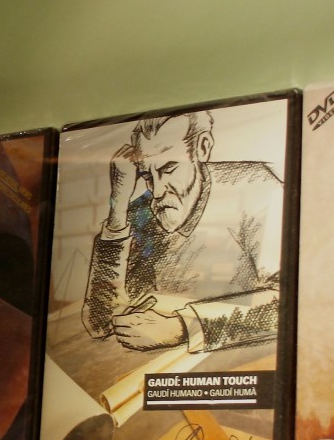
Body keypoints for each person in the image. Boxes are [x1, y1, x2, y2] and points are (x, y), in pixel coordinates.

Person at [81, 111, 284, 353]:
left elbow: (289, 302)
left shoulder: (257, 188)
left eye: (168, 168)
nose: (156, 191)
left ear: (202, 147)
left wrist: (184, 328)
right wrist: (118, 205)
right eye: (146, 175)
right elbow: (99, 323)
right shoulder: (140, 214)